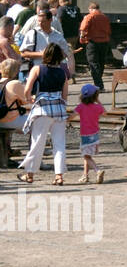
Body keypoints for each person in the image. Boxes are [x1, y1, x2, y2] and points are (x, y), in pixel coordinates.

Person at [19, 42, 69, 185]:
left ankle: (30, 174)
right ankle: (59, 176)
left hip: (42, 109)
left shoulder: (37, 69)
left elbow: (27, 90)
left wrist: (30, 99)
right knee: (59, 144)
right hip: (59, 110)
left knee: (38, 143)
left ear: (45, 55)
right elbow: (65, 95)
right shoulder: (63, 72)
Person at [19, 7, 69, 77]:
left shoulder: (58, 35)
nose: (40, 23)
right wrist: (42, 54)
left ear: (50, 20)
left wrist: (54, 56)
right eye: (39, 21)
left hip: (53, 73)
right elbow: (23, 53)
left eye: (43, 21)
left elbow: (65, 54)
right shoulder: (32, 33)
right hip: (36, 73)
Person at [73, 84, 106, 185]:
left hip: (85, 136)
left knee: (86, 156)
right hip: (95, 135)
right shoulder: (97, 107)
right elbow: (105, 112)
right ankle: (85, 175)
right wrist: (98, 101)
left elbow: (71, 116)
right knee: (87, 155)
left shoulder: (81, 107)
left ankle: (97, 170)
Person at [78, 2, 113, 91]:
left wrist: (82, 37)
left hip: (92, 42)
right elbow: (109, 30)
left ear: (90, 9)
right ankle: (99, 82)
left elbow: (83, 28)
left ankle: (99, 85)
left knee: (93, 63)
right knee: (101, 63)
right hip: (104, 42)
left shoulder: (89, 16)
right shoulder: (105, 17)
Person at [0, 57, 27, 168]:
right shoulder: (14, 83)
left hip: (0, 119)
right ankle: (35, 160)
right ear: (16, 71)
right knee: (38, 125)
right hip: (10, 120)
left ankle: (6, 156)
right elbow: (25, 101)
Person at [56, 0, 80, 72]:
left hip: (65, 35)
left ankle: (67, 73)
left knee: (63, 55)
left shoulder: (61, 9)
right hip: (74, 35)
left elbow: (58, 21)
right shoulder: (76, 8)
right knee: (71, 55)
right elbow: (80, 21)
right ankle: (72, 72)